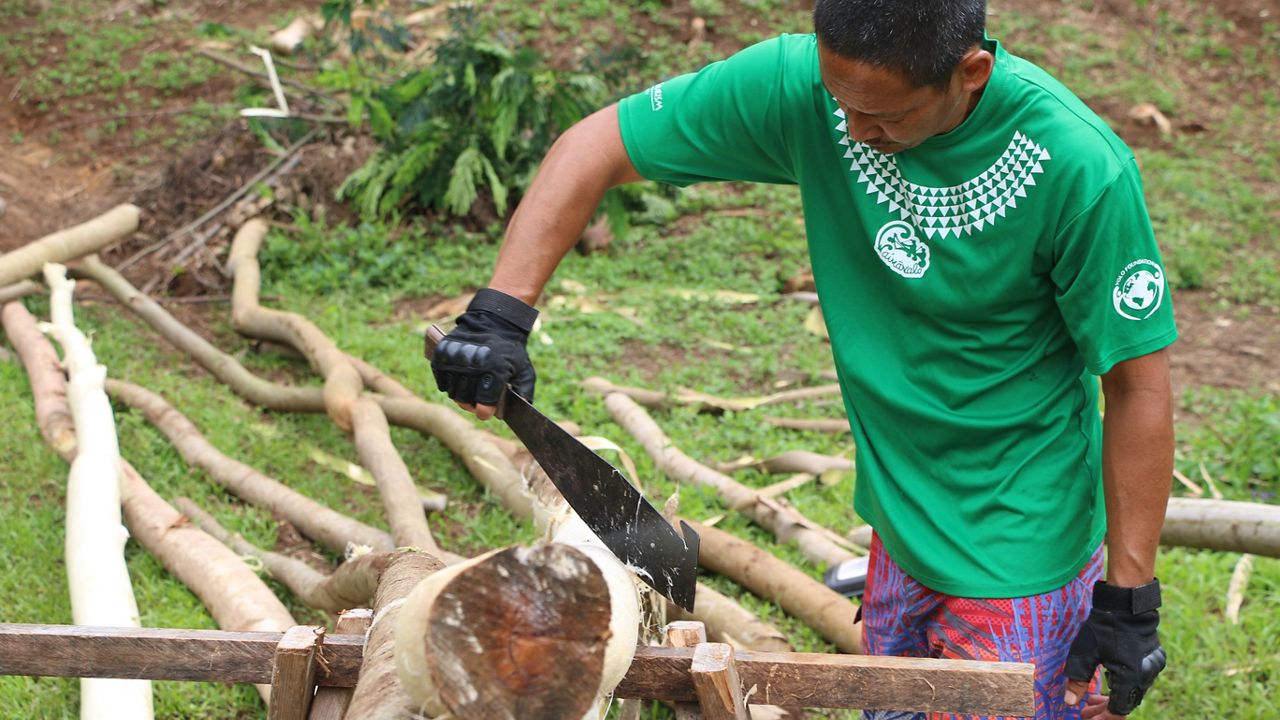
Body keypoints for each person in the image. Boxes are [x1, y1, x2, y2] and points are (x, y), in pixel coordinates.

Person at [429, 1, 1175, 718]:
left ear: (970, 73)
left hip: (1023, 549)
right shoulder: (809, 89)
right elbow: (597, 143)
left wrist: (1130, 601)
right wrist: (501, 312)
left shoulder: (1078, 166)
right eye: (839, 100)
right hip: (898, 528)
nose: (851, 128)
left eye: (884, 116)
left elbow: (1138, 386)